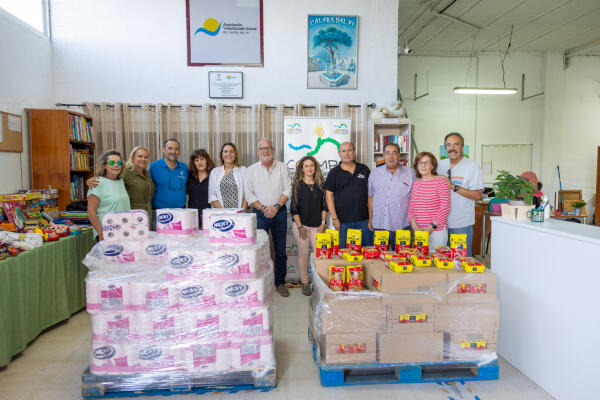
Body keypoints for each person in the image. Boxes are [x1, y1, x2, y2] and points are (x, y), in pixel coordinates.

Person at [245, 138, 292, 297]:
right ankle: (261, 283)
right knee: (260, 250)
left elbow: (288, 190)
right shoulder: (251, 170)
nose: (265, 151)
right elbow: (249, 194)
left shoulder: (282, 167)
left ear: (273, 149)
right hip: (260, 212)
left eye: (268, 148)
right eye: (262, 148)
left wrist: (276, 207)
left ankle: (280, 282)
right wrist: (265, 208)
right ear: (258, 151)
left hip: (279, 212)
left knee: (280, 250)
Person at [437, 132, 483, 256]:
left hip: (461, 224)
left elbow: (478, 195)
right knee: (441, 261)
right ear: (445, 148)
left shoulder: (472, 166)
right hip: (439, 224)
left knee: (461, 261)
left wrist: (453, 186)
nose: (452, 148)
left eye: (456, 144)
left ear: (462, 147)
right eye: (448, 145)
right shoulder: (439, 165)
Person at [290, 156, 327, 296]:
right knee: (304, 254)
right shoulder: (297, 186)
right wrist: (300, 227)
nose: (310, 168)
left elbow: (324, 206)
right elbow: (294, 208)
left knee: (320, 254)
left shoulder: (321, 184)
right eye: (306, 166)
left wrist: (323, 223)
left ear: (315, 167)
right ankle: (305, 282)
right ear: (302, 168)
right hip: (302, 225)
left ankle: (319, 282)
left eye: (312, 165)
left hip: (318, 226)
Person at [325, 142, 372, 248]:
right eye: (343, 151)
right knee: (345, 257)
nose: (347, 153)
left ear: (354, 152)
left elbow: (370, 195)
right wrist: (334, 219)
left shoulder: (364, 169)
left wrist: (371, 217)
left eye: (349, 150)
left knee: (367, 254)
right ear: (339, 153)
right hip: (343, 223)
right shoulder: (334, 173)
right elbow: (328, 197)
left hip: (364, 222)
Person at [368, 143, 414, 249]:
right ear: (384, 156)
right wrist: (371, 217)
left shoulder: (410, 174)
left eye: (394, 153)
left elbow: (415, 199)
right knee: (378, 258)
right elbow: (370, 196)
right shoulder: (375, 173)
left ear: (399, 155)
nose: (391, 156)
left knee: (402, 257)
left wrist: (413, 220)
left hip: (402, 224)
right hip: (379, 223)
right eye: (387, 153)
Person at [88, 146, 155, 217]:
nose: (143, 159)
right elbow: (109, 178)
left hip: (147, 212)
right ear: (132, 158)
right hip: (133, 213)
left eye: (146, 157)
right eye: (140, 156)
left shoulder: (147, 173)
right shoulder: (126, 171)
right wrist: (89, 181)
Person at [408, 152, 451, 251]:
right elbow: (411, 207)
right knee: (420, 261)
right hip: (419, 231)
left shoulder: (441, 182)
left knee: (436, 262)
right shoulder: (416, 183)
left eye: (427, 162)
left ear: (432, 166)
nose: (423, 165)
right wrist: (414, 225)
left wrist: (432, 227)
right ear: (417, 165)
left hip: (437, 231)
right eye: (420, 162)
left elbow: (445, 208)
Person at [87, 150, 131, 240]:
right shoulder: (97, 183)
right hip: (107, 233)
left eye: (119, 162)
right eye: (112, 162)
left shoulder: (120, 182)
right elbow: (91, 212)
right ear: (104, 165)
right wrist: (100, 233)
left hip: (123, 232)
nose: (116, 165)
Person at [150, 138, 189, 226]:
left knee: (182, 239)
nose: (173, 151)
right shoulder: (153, 167)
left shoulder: (184, 167)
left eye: (176, 149)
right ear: (164, 150)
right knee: (159, 239)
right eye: (170, 148)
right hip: (159, 214)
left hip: (181, 213)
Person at [208, 142, 248, 209]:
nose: (228, 154)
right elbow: (212, 196)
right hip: (220, 215)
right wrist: (224, 213)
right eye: (225, 152)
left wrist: (241, 213)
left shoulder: (243, 170)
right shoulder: (215, 172)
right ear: (222, 155)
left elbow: (247, 195)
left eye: (231, 151)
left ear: (235, 155)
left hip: (239, 215)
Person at [187, 149, 215, 226]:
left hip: (209, 216)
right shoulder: (189, 176)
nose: (200, 162)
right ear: (193, 163)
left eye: (202, 159)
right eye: (196, 160)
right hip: (192, 216)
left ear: (207, 161)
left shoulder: (214, 175)